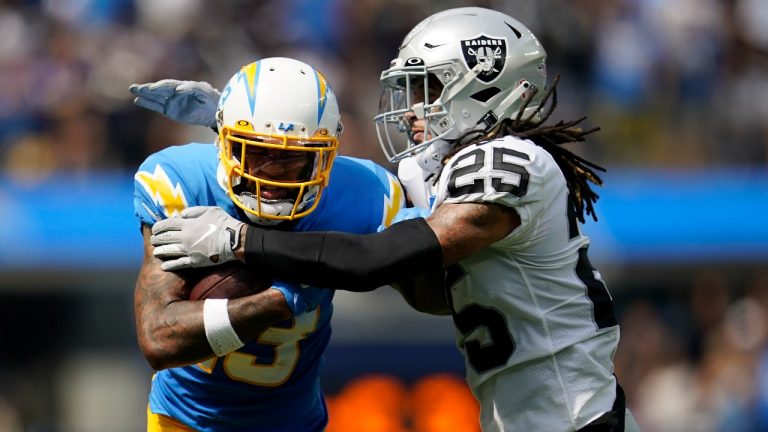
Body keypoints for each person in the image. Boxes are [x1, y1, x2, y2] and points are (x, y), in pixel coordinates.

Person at [143, 7, 642, 431]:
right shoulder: (438, 172)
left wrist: (241, 240)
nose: (411, 110)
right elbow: (339, 196)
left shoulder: (512, 164)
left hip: (576, 415)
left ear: (486, 88)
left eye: (427, 87)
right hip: (524, 413)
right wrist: (240, 122)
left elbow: (374, 258)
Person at [131, 57, 407, 431]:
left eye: (292, 158)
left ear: (326, 157)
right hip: (186, 422)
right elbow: (159, 339)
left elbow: (433, 296)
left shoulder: (365, 193)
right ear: (223, 142)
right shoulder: (186, 182)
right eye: (257, 152)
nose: (272, 175)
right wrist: (281, 298)